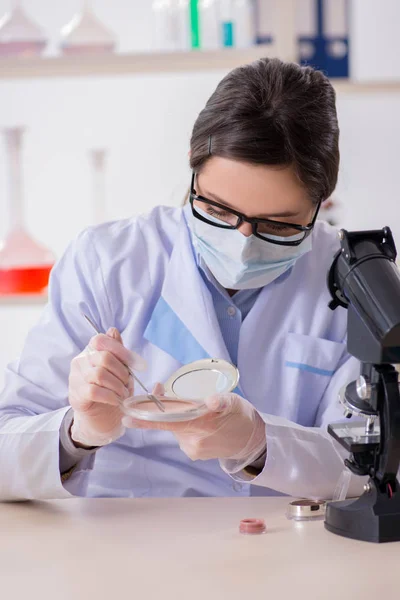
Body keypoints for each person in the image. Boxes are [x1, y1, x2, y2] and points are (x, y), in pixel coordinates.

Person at [0, 58, 365, 501]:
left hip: (287, 543)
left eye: (278, 225)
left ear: (322, 204)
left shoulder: (355, 277)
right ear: (192, 171)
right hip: (128, 544)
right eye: (216, 210)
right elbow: (6, 448)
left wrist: (260, 442)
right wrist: (80, 431)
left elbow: (371, 470)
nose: (243, 243)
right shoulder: (109, 263)